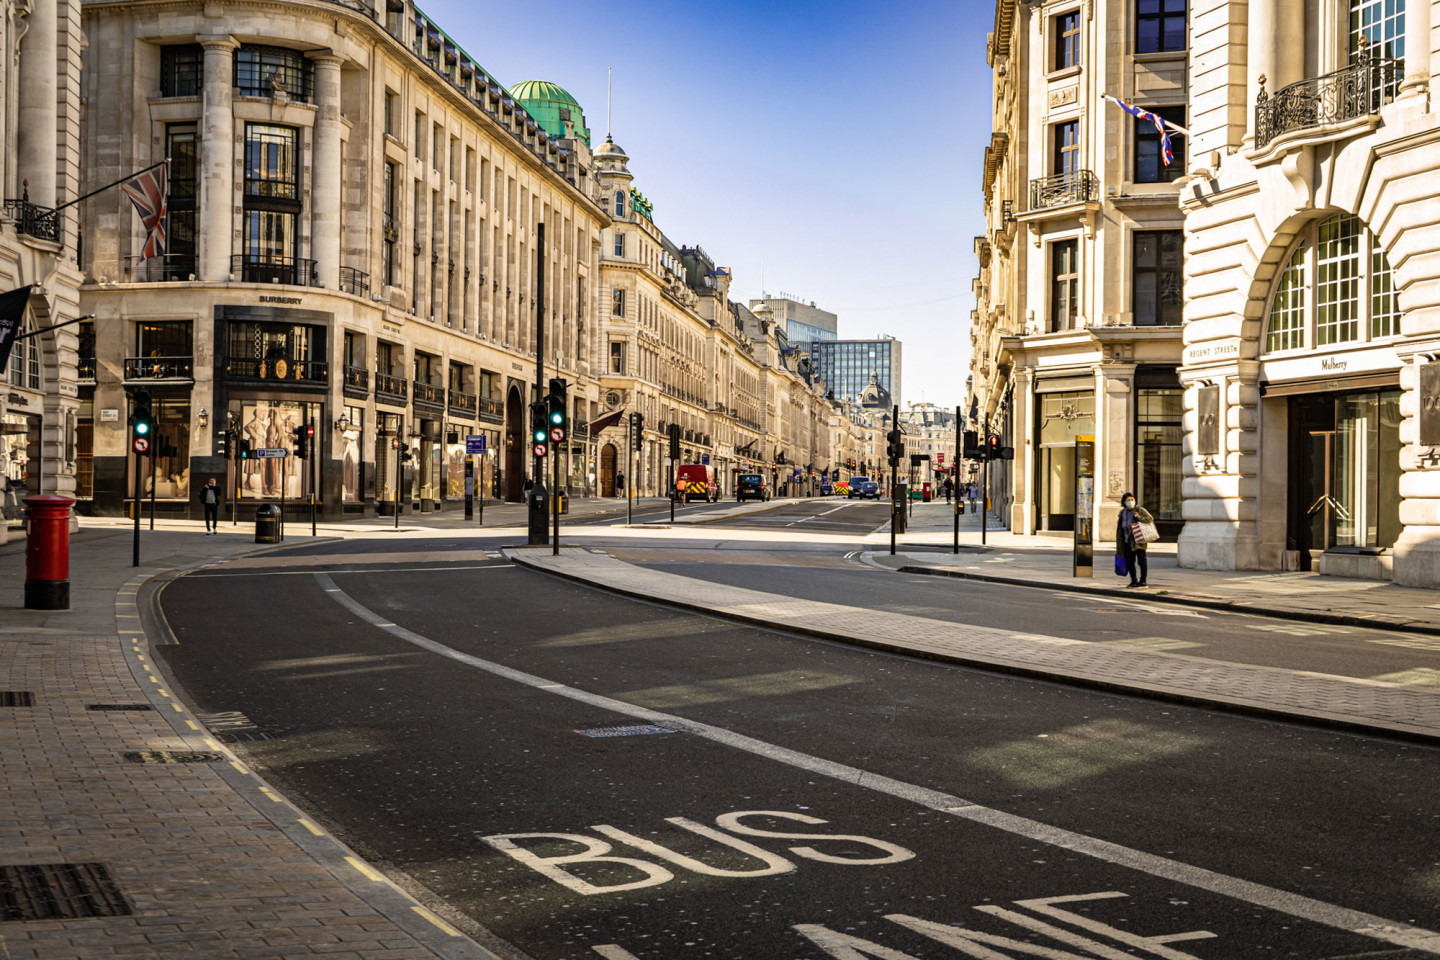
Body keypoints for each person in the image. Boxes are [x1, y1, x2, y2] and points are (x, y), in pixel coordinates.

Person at [1116, 491, 1155, 588]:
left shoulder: (1139, 510)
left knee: (1142, 561)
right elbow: (1120, 528)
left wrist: (1139, 517)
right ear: (1124, 502)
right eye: (1128, 500)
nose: (1131, 502)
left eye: (1132, 500)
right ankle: (1133, 580)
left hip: (1138, 541)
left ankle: (1143, 581)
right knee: (1130, 562)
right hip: (1127, 541)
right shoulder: (1122, 513)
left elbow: (1150, 519)